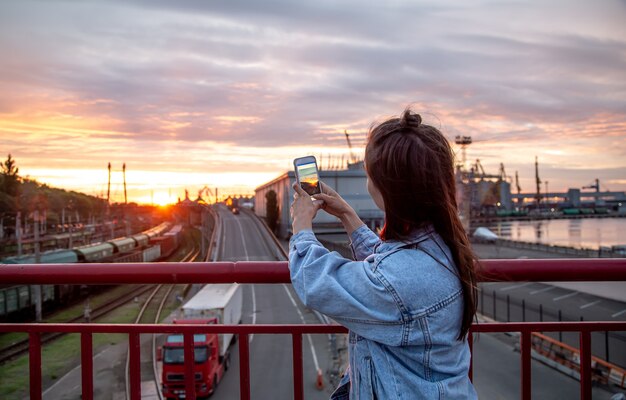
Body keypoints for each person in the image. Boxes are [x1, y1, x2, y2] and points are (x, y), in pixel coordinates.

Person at [289, 108, 478, 399]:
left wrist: (301, 226)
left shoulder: (400, 281)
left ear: (389, 188)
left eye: (370, 174)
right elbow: (390, 269)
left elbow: (316, 281)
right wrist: (348, 217)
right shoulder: (441, 245)